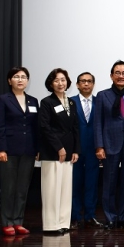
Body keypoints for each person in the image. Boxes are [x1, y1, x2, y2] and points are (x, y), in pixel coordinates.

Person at [93, 60, 124, 229]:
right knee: (109, 183)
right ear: (111, 76)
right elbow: (98, 122)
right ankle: (110, 217)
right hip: (109, 145)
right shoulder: (102, 95)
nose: (121, 76)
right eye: (118, 73)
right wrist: (99, 146)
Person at [0, 66, 40, 236]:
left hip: (28, 150)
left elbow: (35, 128)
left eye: (23, 77)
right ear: (9, 80)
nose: (20, 80)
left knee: (22, 188)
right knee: (8, 188)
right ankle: (7, 222)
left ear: (27, 81)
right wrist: (1, 149)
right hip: (9, 150)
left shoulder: (33, 101)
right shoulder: (3, 99)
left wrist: (37, 148)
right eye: (16, 77)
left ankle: (18, 221)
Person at [38, 68, 80, 234]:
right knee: (51, 189)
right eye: (56, 80)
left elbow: (75, 127)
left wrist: (76, 150)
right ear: (51, 83)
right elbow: (45, 127)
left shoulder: (71, 102)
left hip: (69, 152)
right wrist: (59, 148)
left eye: (63, 80)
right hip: (52, 151)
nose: (60, 83)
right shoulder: (47, 102)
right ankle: (50, 225)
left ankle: (63, 223)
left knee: (65, 189)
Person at [71, 72, 104, 229]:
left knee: (92, 184)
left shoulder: (100, 102)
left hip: (94, 149)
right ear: (77, 84)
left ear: (93, 84)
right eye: (83, 81)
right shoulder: (70, 102)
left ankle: (90, 216)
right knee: (74, 184)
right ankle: (75, 217)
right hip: (75, 151)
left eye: (89, 81)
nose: (86, 84)